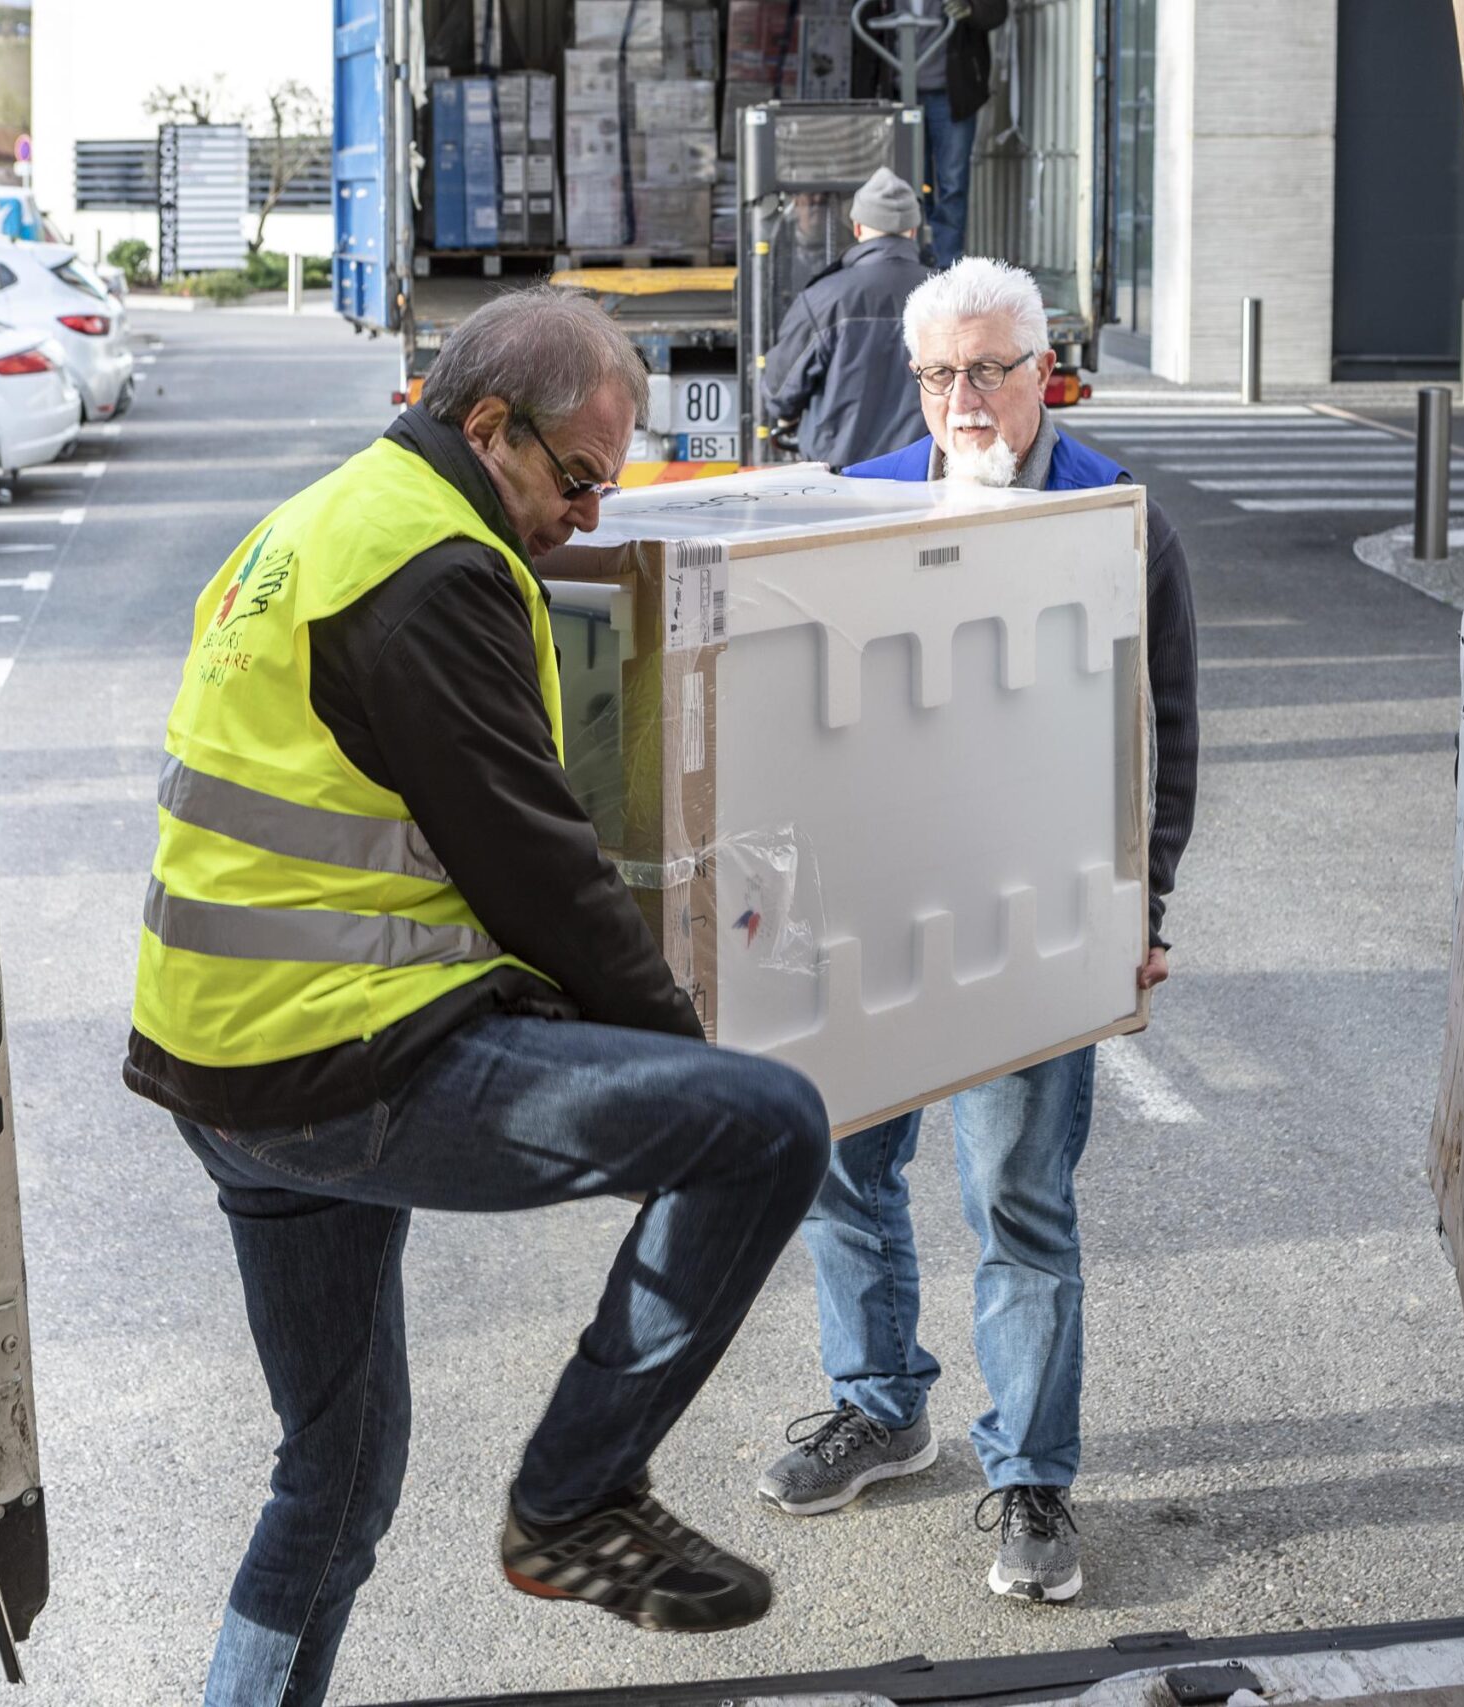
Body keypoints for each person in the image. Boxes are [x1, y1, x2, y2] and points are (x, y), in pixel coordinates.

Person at [124, 290, 830, 1706]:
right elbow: (539, 871)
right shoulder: (434, 568)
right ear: (487, 425)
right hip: (341, 1064)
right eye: (577, 478)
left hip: (224, 1064)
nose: (587, 514)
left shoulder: (312, 527)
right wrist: (677, 1054)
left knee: (333, 1475)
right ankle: (574, 1499)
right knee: (761, 1127)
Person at [755, 257, 1198, 1604]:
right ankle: (883, 1406)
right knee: (843, 1171)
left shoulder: (1113, 517)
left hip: (1031, 919)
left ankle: (1032, 1473)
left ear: (1044, 366)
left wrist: (1145, 904)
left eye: (993, 368)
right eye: (942, 372)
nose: (966, 397)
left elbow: (1164, 731)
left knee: (1016, 1195)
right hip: (865, 922)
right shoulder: (862, 502)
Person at [759, 167, 937, 468]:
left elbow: (779, 393)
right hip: (924, 476)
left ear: (857, 228)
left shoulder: (824, 299)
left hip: (841, 483)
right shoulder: (947, 294)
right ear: (913, 230)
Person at [852, 0, 1010, 264]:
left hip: (952, 93)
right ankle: (910, 261)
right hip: (900, 95)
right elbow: (863, 36)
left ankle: (946, 264)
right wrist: (863, 102)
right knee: (910, 180)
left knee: (953, 182)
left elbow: (994, 13)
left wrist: (970, 8)